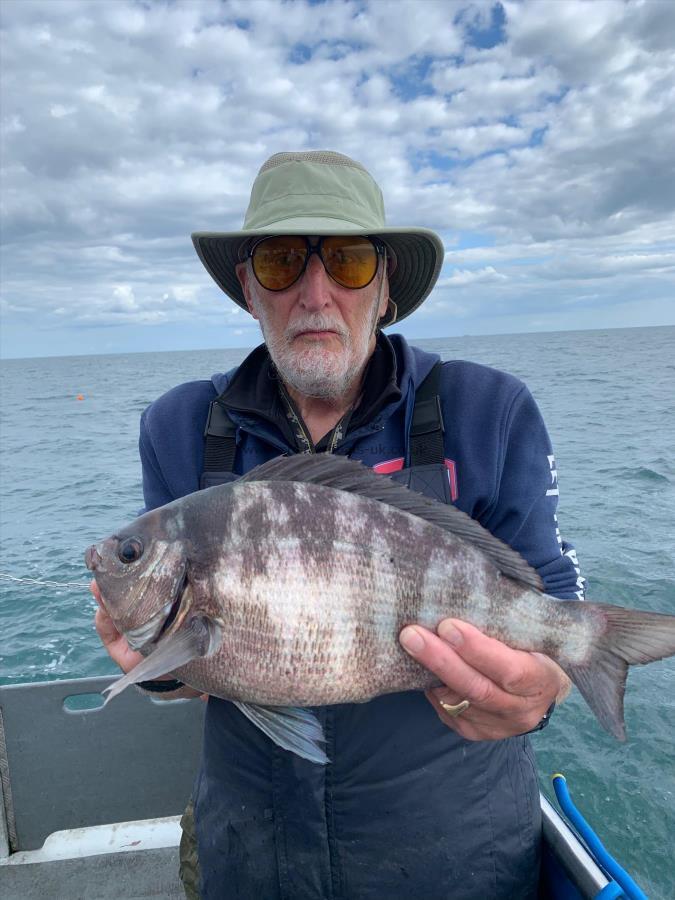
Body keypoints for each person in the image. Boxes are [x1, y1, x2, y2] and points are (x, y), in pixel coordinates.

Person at [94, 150, 582, 899]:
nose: (314, 293)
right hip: (248, 848)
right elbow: (185, 653)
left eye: (349, 263)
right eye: (282, 261)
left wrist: (540, 689)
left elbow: (552, 600)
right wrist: (163, 673)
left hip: (457, 854)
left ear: (385, 289)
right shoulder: (179, 424)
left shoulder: (491, 410)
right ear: (248, 289)